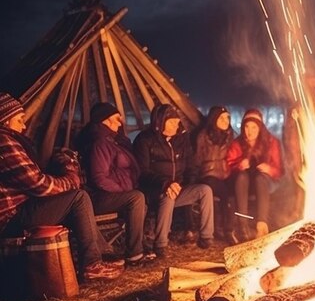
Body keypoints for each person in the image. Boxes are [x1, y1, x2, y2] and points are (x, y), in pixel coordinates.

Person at [0, 93, 123, 280]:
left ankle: (102, 254)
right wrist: (70, 179)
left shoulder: (9, 140)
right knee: (78, 198)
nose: (24, 125)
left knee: (72, 200)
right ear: (5, 120)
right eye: (19, 120)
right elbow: (38, 185)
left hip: (21, 208)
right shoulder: (4, 141)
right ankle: (92, 264)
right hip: (12, 216)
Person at [76, 102, 154, 266]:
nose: (120, 123)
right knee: (136, 198)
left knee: (141, 201)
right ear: (105, 120)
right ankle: (134, 255)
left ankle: (136, 246)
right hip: (100, 197)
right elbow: (99, 178)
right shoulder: (100, 143)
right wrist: (122, 192)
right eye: (117, 119)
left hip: (115, 194)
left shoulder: (114, 141)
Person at [133, 103, 215, 257]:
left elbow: (190, 165)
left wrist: (187, 183)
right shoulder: (145, 140)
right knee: (168, 195)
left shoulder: (182, 140)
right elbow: (142, 172)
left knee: (205, 190)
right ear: (159, 122)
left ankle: (206, 237)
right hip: (153, 191)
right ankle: (161, 244)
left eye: (177, 122)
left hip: (178, 188)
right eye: (171, 122)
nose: (176, 126)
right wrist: (165, 184)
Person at [226, 108, 284, 240]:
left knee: (260, 178)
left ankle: (262, 224)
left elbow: (280, 170)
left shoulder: (271, 142)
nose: (249, 131)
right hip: (244, 184)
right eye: (246, 127)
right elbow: (228, 165)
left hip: (265, 182)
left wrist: (270, 169)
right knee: (241, 177)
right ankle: (243, 226)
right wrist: (239, 165)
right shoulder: (237, 143)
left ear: (260, 128)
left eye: (254, 127)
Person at [192, 105, 238, 245]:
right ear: (214, 119)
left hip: (226, 173)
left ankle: (229, 230)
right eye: (222, 118)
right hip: (209, 174)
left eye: (227, 118)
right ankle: (220, 230)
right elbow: (197, 160)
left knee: (232, 192)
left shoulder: (230, 136)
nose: (226, 121)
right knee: (223, 193)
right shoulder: (203, 136)